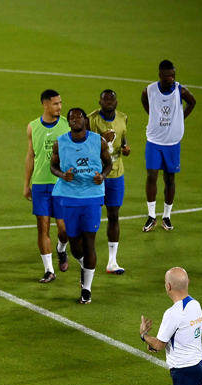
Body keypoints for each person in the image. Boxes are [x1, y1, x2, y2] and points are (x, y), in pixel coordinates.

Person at [50, 108, 113, 305]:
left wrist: (102, 176)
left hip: (93, 197)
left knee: (89, 242)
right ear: (68, 122)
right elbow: (53, 166)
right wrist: (62, 175)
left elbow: (108, 163)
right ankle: (82, 265)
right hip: (69, 197)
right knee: (76, 247)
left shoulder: (98, 141)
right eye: (71, 118)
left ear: (85, 120)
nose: (75, 120)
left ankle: (87, 289)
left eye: (79, 117)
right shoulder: (60, 143)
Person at [142, 60, 197, 232]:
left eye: (173, 75)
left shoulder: (180, 90)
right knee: (152, 176)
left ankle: (166, 216)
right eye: (167, 76)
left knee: (170, 178)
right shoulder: (150, 90)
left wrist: (179, 118)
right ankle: (151, 216)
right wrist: (153, 117)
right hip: (154, 141)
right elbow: (144, 101)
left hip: (172, 143)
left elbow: (193, 102)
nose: (171, 78)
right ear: (160, 75)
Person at [24, 90, 70, 283]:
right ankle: (49, 270)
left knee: (64, 228)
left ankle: (61, 249)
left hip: (61, 184)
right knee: (42, 227)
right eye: (56, 104)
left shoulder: (67, 125)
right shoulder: (33, 127)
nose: (59, 107)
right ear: (45, 105)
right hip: (41, 183)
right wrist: (26, 183)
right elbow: (31, 155)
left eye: (60, 103)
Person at [88, 91, 131, 274]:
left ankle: (112, 262)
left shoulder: (123, 118)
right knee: (92, 217)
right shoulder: (91, 120)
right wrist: (102, 140)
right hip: (95, 175)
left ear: (116, 101)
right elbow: (84, 145)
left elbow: (122, 138)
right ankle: (86, 257)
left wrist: (125, 148)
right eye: (105, 99)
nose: (108, 102)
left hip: (116, 174)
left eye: (111, 99)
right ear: (100, 101)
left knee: (114, 214)